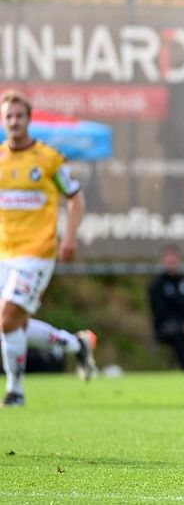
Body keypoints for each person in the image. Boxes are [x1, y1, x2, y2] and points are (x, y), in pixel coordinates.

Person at [0, 90, 96, 406]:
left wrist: (69, 237)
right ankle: (75, 344)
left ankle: (15, 390)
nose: (14, 121)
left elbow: (75, 198)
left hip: (37, 253)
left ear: (29, 119)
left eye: (19, 115)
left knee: (7, 319)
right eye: (8, 116)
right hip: (5, 253)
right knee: (15, 324)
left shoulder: (48, 159)